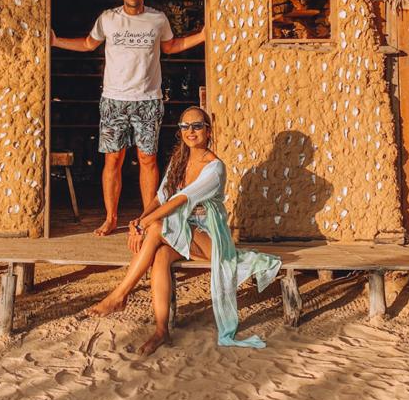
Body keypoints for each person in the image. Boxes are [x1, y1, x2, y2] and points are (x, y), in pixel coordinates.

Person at [87, 106, 282, 355]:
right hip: (183, 232)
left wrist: (145, 225)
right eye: (185, 127)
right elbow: (160, 197)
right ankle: (161, 331)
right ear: (180, 132)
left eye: (197, 126)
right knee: (160, 256)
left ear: (209, 131)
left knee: (157, 227)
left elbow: (179, 201)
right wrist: (138, 220)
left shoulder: (214, 168)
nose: (191, 131)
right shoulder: (179, 160)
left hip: (211, 238)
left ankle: (119, 295)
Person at [51, 0, 205, 236]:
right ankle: (110, 218)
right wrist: (55, 42)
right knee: (113, 160)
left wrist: (203, 36)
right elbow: (88, 44)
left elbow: (170, 47)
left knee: (148, 159)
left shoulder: (157, 19)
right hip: (114, 100)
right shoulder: (108, 19)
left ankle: (148, 218)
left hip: (148, 99)